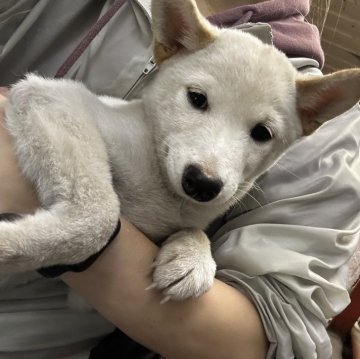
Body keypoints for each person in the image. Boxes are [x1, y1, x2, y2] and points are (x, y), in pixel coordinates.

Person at [0, 0, 359, 358]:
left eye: (262, 132)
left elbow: (267, 339)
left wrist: (193, 241)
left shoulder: (318, 124)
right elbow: (43, 96)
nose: (210, 169)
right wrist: (86, 219)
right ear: (171, 39)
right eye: (198, 99)